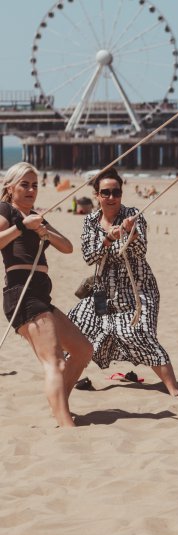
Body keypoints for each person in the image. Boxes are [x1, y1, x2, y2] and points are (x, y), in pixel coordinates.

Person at [68, 167, 178, 396]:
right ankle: (66, 381)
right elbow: (89, 256)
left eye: (116, 192)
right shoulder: (90, 221)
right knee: (78, 327)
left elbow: (140, 252)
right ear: (97, 195)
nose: (111, 198)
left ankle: (173, 388)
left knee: (138, 333)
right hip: (104, 292)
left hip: (138, 290)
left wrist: (133, 234)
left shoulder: (134, 214)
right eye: (106, 192)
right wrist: (109, 238)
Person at [0, 162, 92, 427]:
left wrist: (43, 230)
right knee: (55, 362)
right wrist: (21, 227)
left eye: (35, 185)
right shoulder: (7, 210)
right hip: (21, 293)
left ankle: (59, 403)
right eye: (25, 185)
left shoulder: (37, 217)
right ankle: (65, 423)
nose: (31, 190)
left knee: (83, 349)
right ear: (11, 188)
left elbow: (68, 247)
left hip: (41, 294)